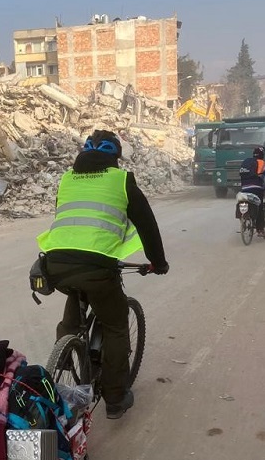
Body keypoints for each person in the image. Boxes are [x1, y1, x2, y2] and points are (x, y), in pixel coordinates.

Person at [36, 129, 169, 419]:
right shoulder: (122, 180)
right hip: (97, 266)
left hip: (55, 262)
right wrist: (158, 263)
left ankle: (64, 359)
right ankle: (115, 399)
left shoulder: (67, 179)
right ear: (115, 157)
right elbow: (147, 226)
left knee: (73, 314)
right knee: (116, 325)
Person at [239, 146, 265, 234]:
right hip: (256, 189)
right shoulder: (262, 163)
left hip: (244, 188)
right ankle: (260, 229)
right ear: (262, 155)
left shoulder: (246, 162)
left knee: (243, 202)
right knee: (259, 206)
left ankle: (243, 218)